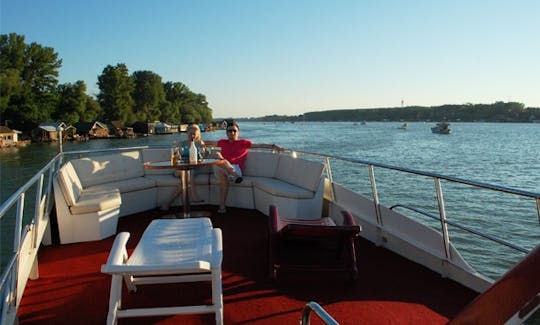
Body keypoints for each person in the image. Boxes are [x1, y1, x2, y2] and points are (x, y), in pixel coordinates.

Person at [207, 121, 279, 214]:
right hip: (228, 171)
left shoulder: (243, 143)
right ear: (226, 133)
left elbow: (260, 145)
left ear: (238, 132)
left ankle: (222, 206)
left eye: (234, 131)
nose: (232, 133)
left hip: (236, 168)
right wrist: (197, 141)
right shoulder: (223, 142)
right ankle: (234, 176)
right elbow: (209, 143)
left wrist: (274, 146)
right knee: (219, 158)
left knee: (223, 179)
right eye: (229, 131)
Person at [163, 124, 208, 210]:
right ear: (187, 133)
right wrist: (177, 155)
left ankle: (167, 203)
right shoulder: (182, 144)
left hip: (195, 169)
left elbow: (202, 158)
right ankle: (194, 197)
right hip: (180, 169)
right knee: (187, 173)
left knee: (184, 181)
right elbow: (176, 156)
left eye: (194, 134)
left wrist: (205, 154)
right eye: (190, 133)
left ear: (198, 134)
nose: (192, 136)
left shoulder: (199, 143)